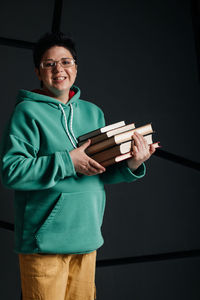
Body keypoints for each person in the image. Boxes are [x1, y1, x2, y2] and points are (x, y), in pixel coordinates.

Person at [0, 32, 156, 300]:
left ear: (75, 67)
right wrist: (67, 161)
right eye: (49, 64)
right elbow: (11, 172)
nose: (58, 69)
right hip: (44, 244)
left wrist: (133, 161)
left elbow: (99, 171)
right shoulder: (26, 112)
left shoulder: (92, 112)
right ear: (38, 71)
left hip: (87, 238)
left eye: (66, 62)